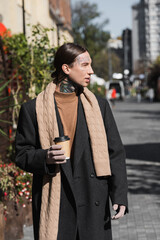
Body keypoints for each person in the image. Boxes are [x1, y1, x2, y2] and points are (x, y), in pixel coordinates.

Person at [15, 43, 128, 240]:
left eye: (90, 65)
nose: (91, 71)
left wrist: (119, 195)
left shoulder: (99, 106)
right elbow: (22, 154)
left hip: (93, 200)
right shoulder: (32, 109)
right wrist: (45, 157)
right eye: (84, 65)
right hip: (56, 204)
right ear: (66, 68)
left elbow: (115, 153)